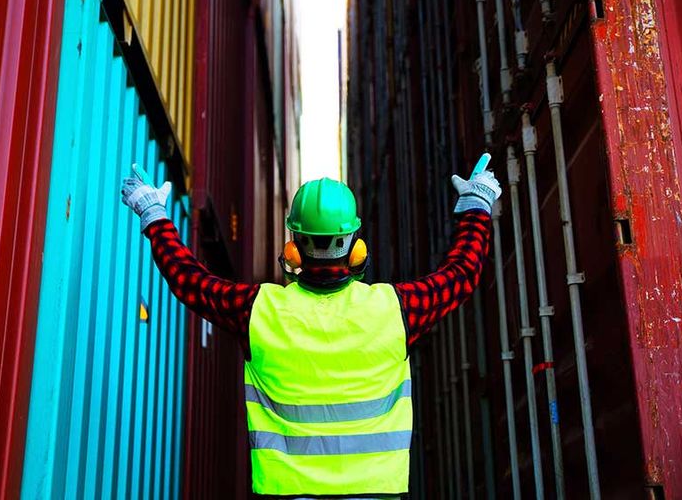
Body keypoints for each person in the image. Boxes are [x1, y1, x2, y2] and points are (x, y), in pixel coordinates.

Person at [120, 156, 500, 499]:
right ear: (355, 245)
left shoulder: (258, 311)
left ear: (294, 247)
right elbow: (462, 274)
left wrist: (154, 216)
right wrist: (476, 205)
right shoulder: (393, 310)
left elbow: (189, 280)